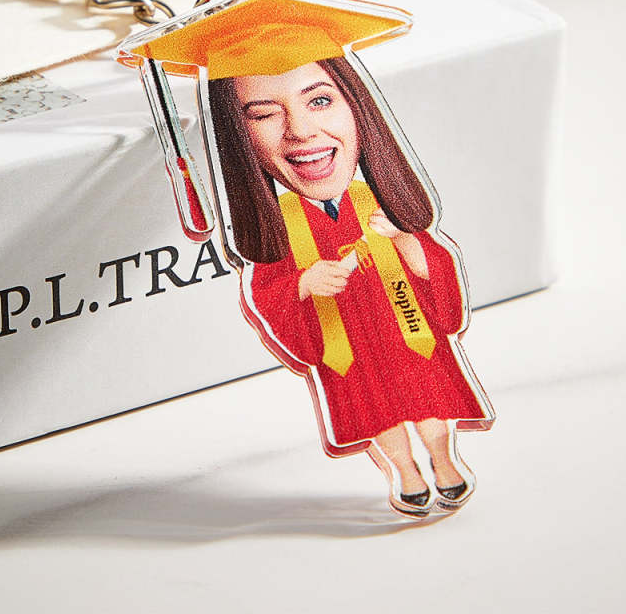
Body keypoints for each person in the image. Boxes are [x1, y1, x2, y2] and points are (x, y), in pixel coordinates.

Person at [208, 54, 494, 517]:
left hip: (409, 335)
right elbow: (265, 297)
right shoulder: (277, 225)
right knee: (380, 415)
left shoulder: (378, 200)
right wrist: (304, 284)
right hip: (348, 350)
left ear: (358, 107)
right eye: (263, 115)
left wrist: (404, 239)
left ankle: (445, 464)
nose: (301, 131)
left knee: (430, 405)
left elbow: (438, 272)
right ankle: (407, 475)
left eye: (320, 100)